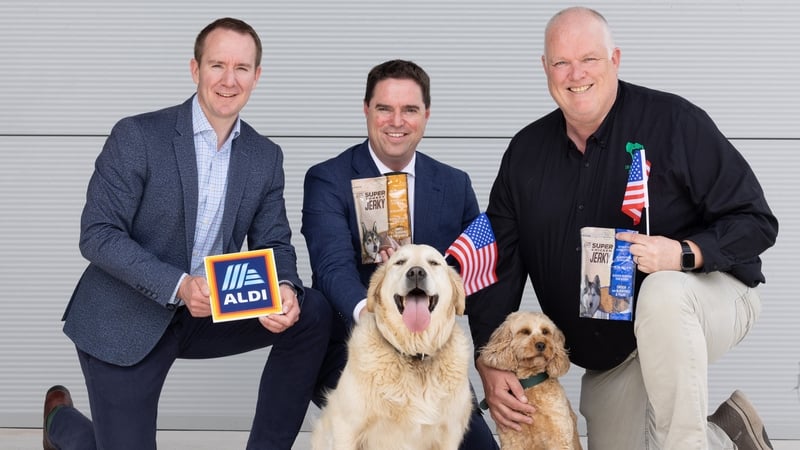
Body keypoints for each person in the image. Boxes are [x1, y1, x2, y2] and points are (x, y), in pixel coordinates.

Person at [467, 6, 778, 450]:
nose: (576, 73)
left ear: (615, 59)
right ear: (545, 68)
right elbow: (498, 262)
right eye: (561, 62)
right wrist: (489, 359)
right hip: (615, 351)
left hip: (709, 298)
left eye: (589, 59)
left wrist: (682, 254)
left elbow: (757, 221)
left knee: (663, 293)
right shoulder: (526, 153)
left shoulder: (674, 123)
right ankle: (728, 433)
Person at [42, 17, 331, 450]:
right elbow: (97, 234)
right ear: (195, 70)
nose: (229, 80)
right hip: (126, 314)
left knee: (311, 311)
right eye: (217, 66)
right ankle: (61, 425)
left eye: (242, 68)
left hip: (210, 308)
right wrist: (179, 285)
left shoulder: (265, 156)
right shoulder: (137, 135)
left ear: (257, 76)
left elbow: (274, 241)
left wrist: (284, 285)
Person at [302, 59, 499, 450]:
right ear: (366, 110)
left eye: (409, 109)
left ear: (426, 114)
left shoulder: (454, 184)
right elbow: (331, 267)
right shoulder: (328, 178)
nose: (397, 121)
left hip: (434, 359)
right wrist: (377, 320)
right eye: (384, 108)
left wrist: (487, 357)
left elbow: (473, 273)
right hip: (355, 350)